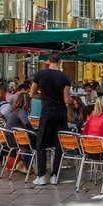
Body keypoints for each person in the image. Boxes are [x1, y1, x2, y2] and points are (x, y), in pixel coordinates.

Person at [29, 53, 72, 186]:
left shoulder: (40, 74)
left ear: (48, 61)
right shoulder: (65, 77)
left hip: (47, 111)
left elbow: (32, 94)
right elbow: (66, 100)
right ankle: (55, 175)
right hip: (60, 112)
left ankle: (41, 175)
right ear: (60, 61)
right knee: (60, 143)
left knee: (40, 143)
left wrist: (46, 98)